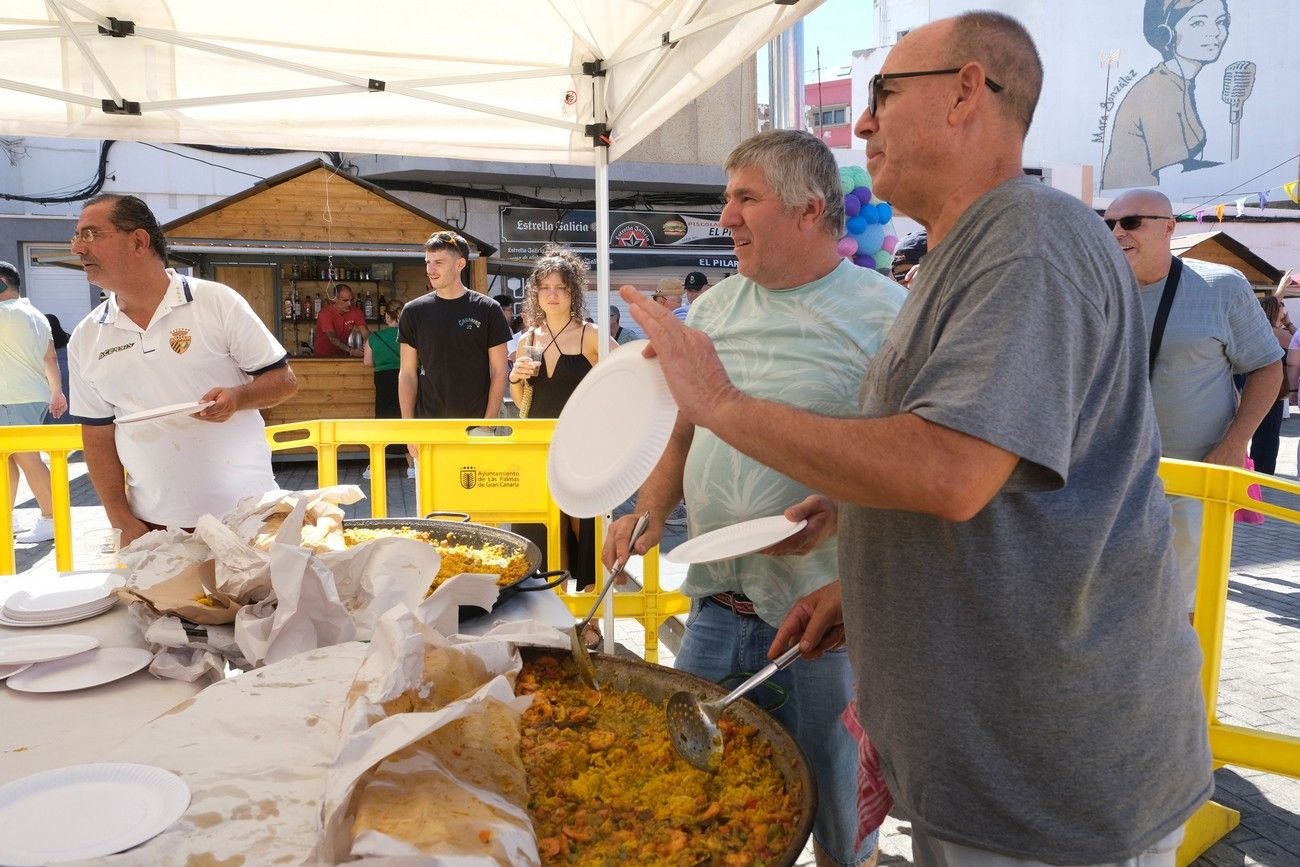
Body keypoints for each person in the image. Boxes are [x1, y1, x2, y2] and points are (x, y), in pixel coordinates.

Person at [610, 13, 1212, 866]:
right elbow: (981, 469)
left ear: (967, 92)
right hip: (993, 769)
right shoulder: (968, 252)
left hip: (1047, 783)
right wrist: (861, 545)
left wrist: (720, 402)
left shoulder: (1027, 239)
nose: (861, 124)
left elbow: (953, 469)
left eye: (883, 95)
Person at [604, 129, 905, 867]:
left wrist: (845, 507)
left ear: (808, 209)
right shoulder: (713, 311)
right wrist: (642, 511)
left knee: (838, 823)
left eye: (745, 198)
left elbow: (913, 466)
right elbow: (681, 437)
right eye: (725, 198)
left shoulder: (887, 315)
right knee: (691, 800)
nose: (726, 217)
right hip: (712, 604)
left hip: (822, 625)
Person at [67, 194, 298, 545]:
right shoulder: (86, 337)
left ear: (139, 241)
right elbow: (97, 440)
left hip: (248, 517)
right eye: (77, 236)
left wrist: (238, 397)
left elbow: (283, 381)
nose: (78, 248)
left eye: (91, 234)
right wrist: (122, 521)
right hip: (154, 526)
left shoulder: (217, 302)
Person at [1104, 188, 1281, 613]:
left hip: (1193, 481)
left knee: (1181, 611)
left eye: (1130, 223)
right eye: (1107, 224)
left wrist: (1235, 444)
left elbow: (1267, 368)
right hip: (1109, 481)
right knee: (1109, 611)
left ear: (1169, 227)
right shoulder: (1095, 289)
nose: (1116, 233)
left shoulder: (1220, 285)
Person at [510, 246, 617, 644]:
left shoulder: (590, 335)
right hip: (537, 445)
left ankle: (589, 619)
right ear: (535, 294)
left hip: (581, 445)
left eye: (561, 287)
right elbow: (521, 397)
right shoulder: (527, 339)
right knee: (539, 523)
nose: (553, 294)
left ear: (574, 292)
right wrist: (517, 375)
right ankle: (546, 611)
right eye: (545, 288)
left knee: (582, 528)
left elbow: (621, 376)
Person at [398, 232, 510, 454]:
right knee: (431, 491)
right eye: (427, 262)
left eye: (438, 262)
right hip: (428, 426)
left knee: (476, 490)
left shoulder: (488, 309)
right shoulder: (413, 311)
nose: (430, 269)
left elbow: (499, 371)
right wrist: (409, 428)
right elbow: (407, 373)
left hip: (475, 428)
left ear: (460, 264)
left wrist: (486, 425)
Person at [1102, 0, 1231, 189]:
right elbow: (1173, 173)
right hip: (1138, 212)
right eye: (1198, 23)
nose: (1215, 32)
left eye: (1221, 21)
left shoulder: (1181, 83)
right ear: (1166, 35)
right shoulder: (1158, 91)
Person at [0, 261, 66, 543]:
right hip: (28, 395)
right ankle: (7, 517)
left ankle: (53, 519)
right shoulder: (36, 315)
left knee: (27, 459)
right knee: (8, 459)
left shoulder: (5, 314)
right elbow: (49, 358)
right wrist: (57, 392)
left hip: (13, 397)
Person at [363, 298, 413, 478]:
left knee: (383, 419)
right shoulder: (412, 336)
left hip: (384, 380)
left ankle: (375, 466)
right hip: (409, 379)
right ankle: (412, 465)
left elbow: (367, 362)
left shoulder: (374, 338)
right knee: (408, 418)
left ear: (386, 316)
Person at [1249, 295, 1292, 474]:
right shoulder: (1280, 334)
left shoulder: (1256, 332)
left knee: (1258, 431)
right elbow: (1298, 342)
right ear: (1276, 311)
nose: (1285, 310)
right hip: (1275, 389)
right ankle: (1265, 472)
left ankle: (1254, 468)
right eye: (1282, 307)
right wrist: (1289, 324)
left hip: (1253, 387)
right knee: (1270, 434)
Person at [312, 283, 367, 357]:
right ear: (335, 299)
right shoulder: (325, 313)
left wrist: (367, 346)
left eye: (352, 299)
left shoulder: (356, 311)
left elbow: (366, 333)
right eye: (345, 300)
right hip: (323, 357)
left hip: (342, 355)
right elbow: (333, 338)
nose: (349, 303)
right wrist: (352, 350)